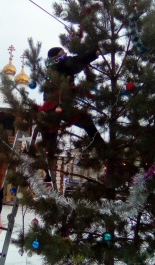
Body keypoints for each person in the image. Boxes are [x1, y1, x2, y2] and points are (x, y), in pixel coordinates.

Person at [36, 46, 104, 182]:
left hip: (51, 107)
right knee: (85, 121)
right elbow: (75, 62)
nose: (65, 54)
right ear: (56, 55)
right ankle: (101, 147)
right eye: (63, 52)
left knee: (50, 141)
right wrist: (95, 52)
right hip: (58, 106)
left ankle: (48, 172)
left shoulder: (52, 65)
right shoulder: (58, 61)